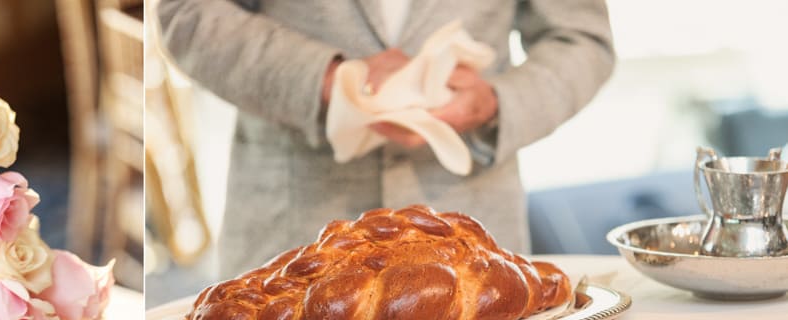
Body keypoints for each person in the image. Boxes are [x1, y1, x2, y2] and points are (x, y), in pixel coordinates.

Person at [157, 0, 615, 278]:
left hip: (476, 242)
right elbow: (186, 12)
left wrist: (496, 101)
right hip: (290, 236)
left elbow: (581, 38)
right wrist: (328, 80)